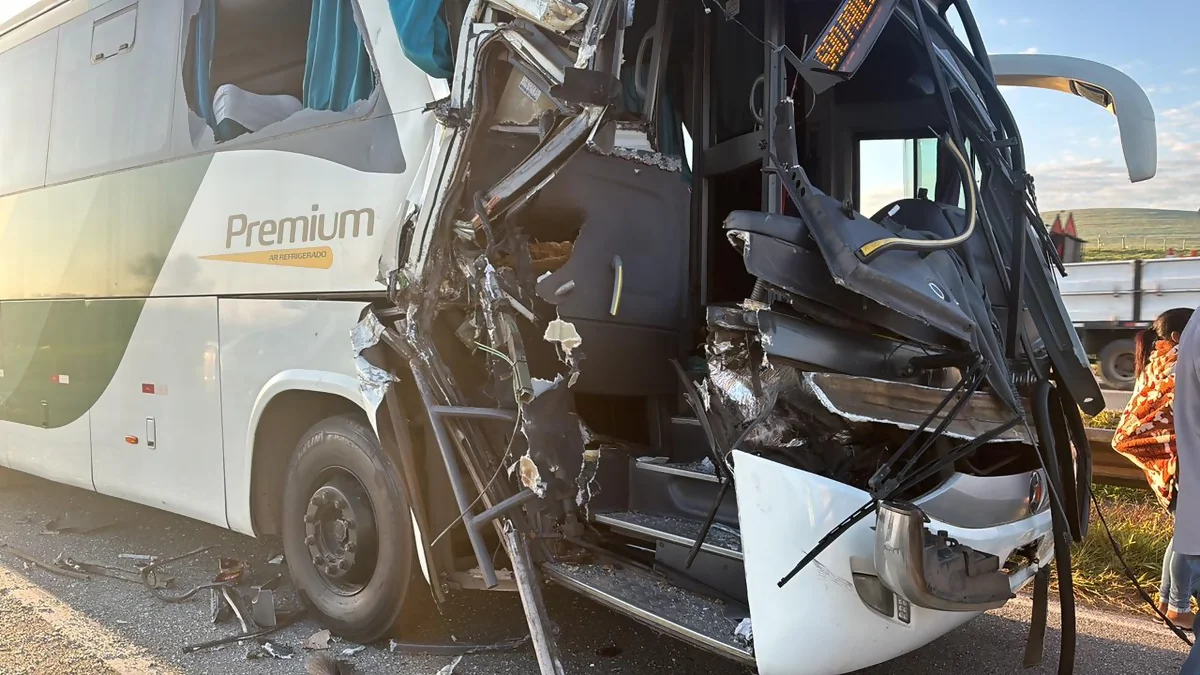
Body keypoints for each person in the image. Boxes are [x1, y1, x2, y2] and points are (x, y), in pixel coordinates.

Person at [1112, 308, 1195, 628]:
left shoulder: (1158, 364)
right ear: (1177, 337)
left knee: (1183, 535)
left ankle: (1166, 601)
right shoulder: (1175, 365)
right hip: (1180, 464)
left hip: (1171, 464)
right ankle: (1177, 606)